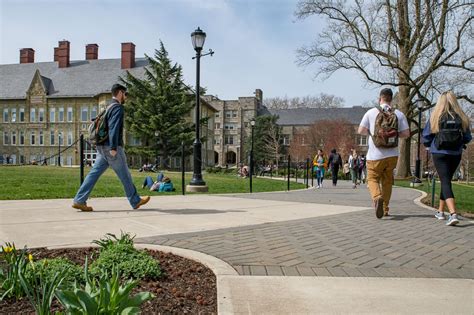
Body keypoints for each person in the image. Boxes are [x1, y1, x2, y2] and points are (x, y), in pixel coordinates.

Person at [72, 84, 150, 211]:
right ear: (120, 93)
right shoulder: (118, 108)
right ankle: (135, 201)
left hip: (101, 147)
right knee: (125, 175)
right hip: (111, 147)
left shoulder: (108, 107)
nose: (126, 97)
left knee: (93, 174)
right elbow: (114, 128)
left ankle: (79, 200)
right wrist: (114, 147)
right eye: (125, 94)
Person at [358, 88, 410, 218]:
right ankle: (385, 208)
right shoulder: (398, 114)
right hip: (392, 155)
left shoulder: (371, 112)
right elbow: (406, 134)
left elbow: (360, 131)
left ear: (379, 98)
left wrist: (373, 133)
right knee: (387, 181)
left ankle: (377, 198)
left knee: (372, 178)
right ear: (391, 99)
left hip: (375, 155)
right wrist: (392, 134)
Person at [422, 91, 472, 226]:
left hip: (439, 152)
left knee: (445, 181)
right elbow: (468, 137)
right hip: (455, 153)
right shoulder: (462, 117)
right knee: (447, 181)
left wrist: (429, 145)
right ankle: (440, 211)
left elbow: (426, 136)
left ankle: (453, 213)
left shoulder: (435, 116)